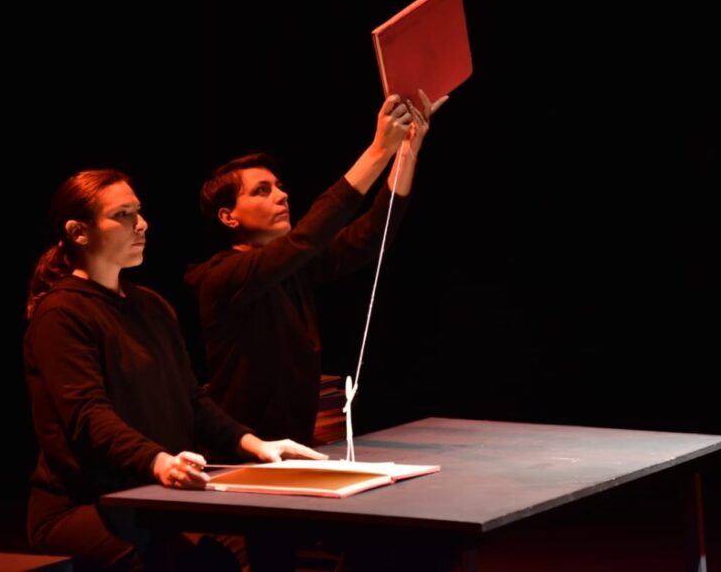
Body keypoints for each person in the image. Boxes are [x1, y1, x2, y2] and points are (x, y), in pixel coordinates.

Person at [23, 168, 326, 571]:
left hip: (150, 495)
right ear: (79, 232)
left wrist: (255, 444)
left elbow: (191, 400)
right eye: (123, 215)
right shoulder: (61, 314)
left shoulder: (151, 306)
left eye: (139, 211)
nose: (141, 224)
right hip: (81, 504)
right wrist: (158, 461)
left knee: (257, 542)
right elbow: (87, 416)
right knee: (189, 559)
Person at [186, 91, 446, 446]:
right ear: (228, 217)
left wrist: (406, 152)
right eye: (261, 191)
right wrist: (377, 151)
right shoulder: (220, 277)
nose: (281, 196)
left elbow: (370, 237)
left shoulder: (294, 266)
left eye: (279, 187)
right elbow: (307, 238)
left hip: (294, 449)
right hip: (236, 457)